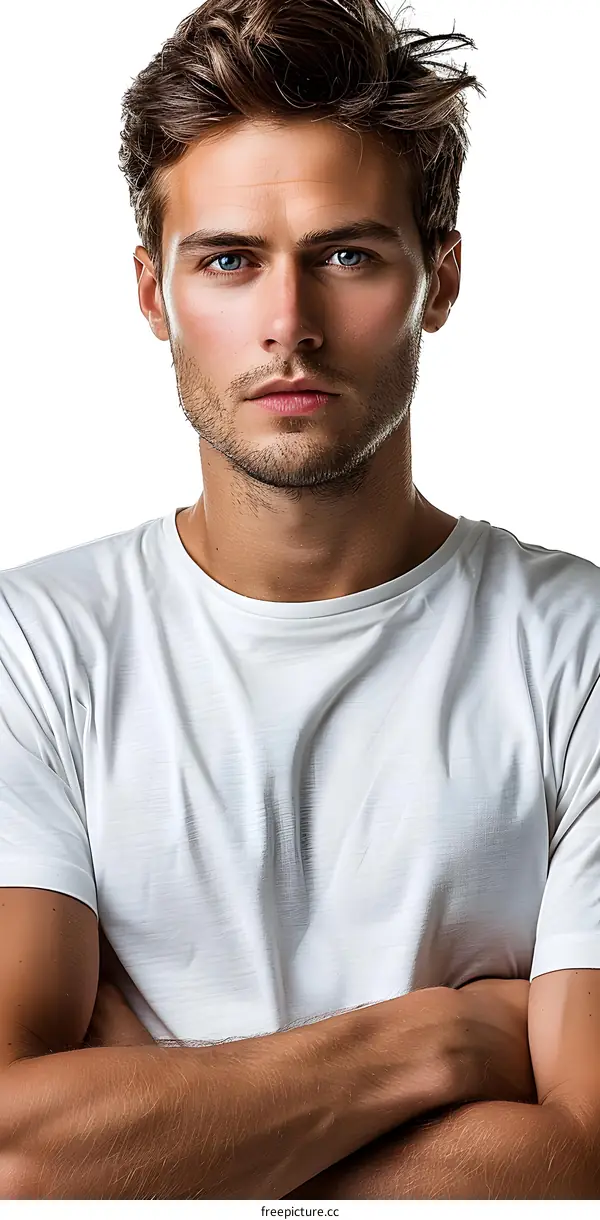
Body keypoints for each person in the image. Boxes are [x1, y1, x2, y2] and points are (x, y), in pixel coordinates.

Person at [1, 0, 599, 1201]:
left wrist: (156, 1131)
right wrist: (436, 1041)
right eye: (229, 260)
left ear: (440, 279)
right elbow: (14, 1150)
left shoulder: (576, 649)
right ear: (153, 293)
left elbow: (583, 1158)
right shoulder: (33, 647)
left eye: (347, 255)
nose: (289, 325)